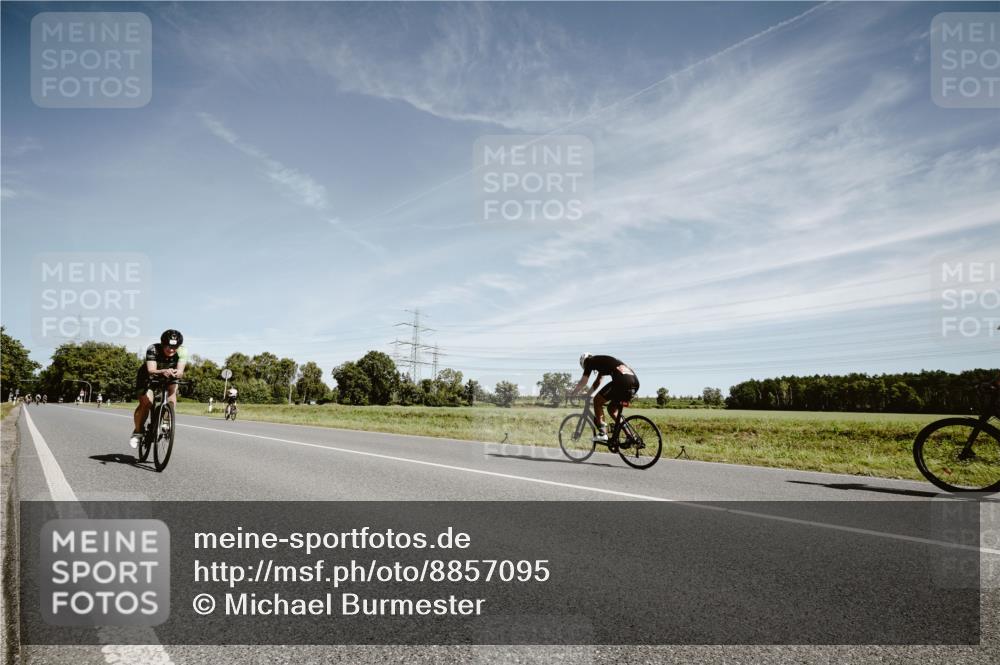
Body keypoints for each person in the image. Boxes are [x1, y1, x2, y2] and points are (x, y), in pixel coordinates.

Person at [129, 329, 188, 449]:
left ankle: (166, 420)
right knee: (146, 403)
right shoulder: (153, 349)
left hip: (168, 374)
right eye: (168, 347)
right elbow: (151, 370)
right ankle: (138, 431)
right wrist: (162, 371)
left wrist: (177, 373)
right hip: (148, 376)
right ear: (162, 344)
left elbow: (181, 371)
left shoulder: (182, 351)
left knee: (173, 389)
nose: (171, 350)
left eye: (175, 347)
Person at [569, 353, 640, 443]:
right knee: (612, 409)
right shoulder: (602, 361)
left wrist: (573, 393)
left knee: (597, 401)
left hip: (622, 383)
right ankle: (630, 436)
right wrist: (588, 394)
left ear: (584, 363)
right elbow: (598, 381)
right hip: (635, 384)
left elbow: (584, 381)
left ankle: (603, 433)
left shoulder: (590, 361)